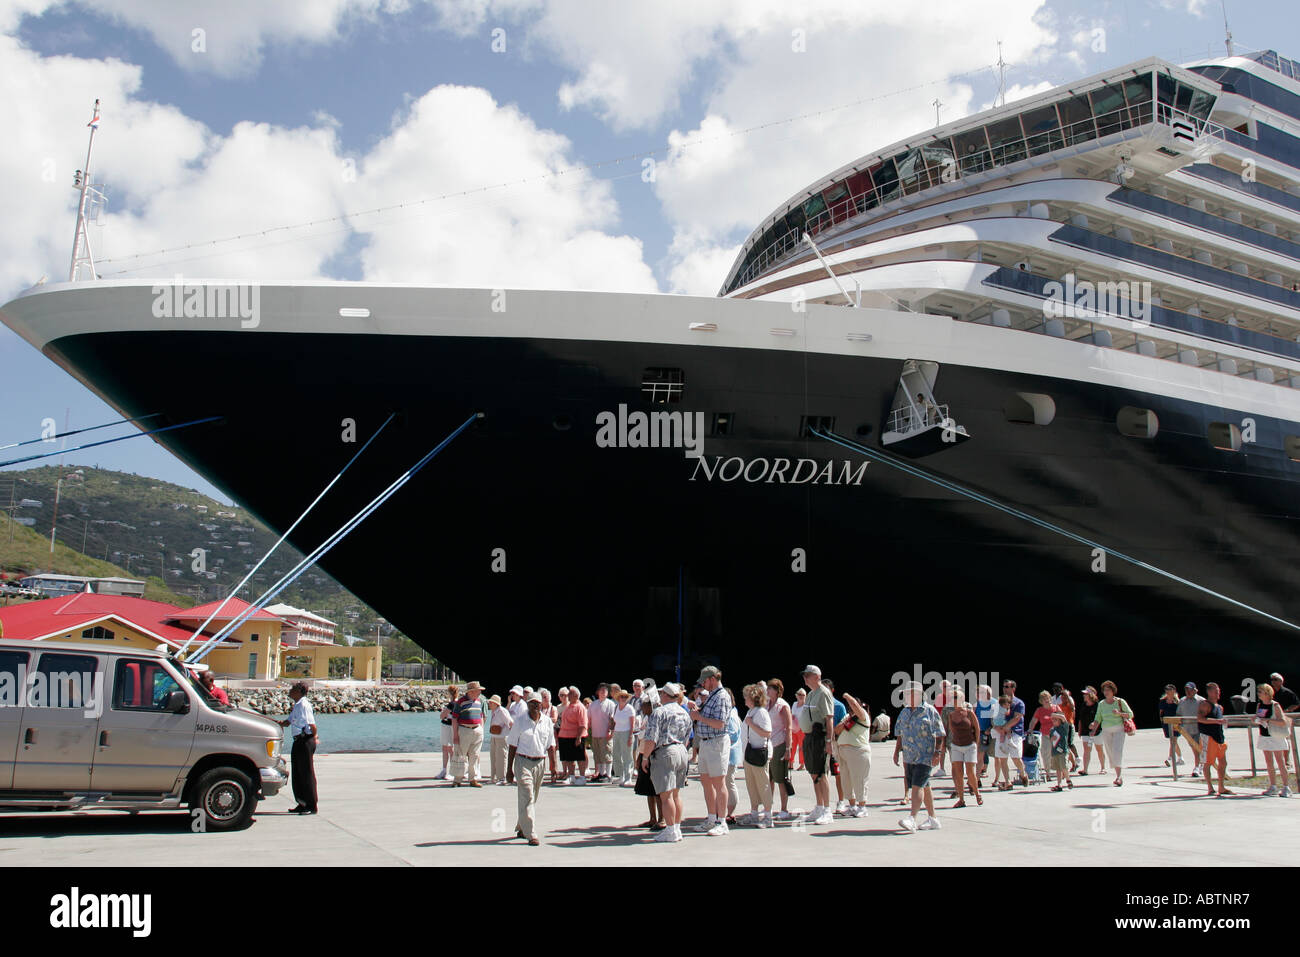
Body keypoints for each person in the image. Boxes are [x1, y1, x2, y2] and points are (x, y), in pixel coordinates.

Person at [640, 682, 692, 842]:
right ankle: (676, 828)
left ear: (665, 695)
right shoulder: (684, 712)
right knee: (676, 794)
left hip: (665, 752)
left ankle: (670, 830)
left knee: (666, 795)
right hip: (681, 751)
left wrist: (645, 757)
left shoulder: (659, 712)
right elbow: (688, 736)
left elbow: (651, 738)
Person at [688, 664, 733, 836]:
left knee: (719, 782)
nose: (702, 685)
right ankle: (711, 818)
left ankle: (722, 821)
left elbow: (720, 723)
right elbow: (711, 717)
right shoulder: (713, 695)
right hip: (707, 742)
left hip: (717, 742)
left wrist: (698, 716)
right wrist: (698, 711)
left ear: (712, 679)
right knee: (706, 781)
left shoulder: (721, 696)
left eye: (704, 681)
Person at [893, 682, 945, 832]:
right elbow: (900, 733)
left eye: (909, 694)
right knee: (924, 786)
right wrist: (897, 751)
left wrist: (938, 752)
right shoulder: (904, 712)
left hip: (925, 756)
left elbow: (940, 734)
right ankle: (933, 819)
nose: (906, 697)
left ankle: (912, 818)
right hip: (910, 756)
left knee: (917, 786)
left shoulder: (930, 711)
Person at [506, 691, 554, 846]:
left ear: (541, 705)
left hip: (540, 763)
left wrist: (553, 766)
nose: (534, 705)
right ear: (527, 704)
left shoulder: (547, 722)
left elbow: (551, 746)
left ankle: (521, 826)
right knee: (527, 794)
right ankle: (531, 833)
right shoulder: (520, 721)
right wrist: (509, 770)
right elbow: (512, 745)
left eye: (537, 703)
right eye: (531, 702)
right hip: (523, 761)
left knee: (532, 797)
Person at [799, 665, 836, 825]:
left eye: (808, 675)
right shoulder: (812, 694)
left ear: (817, 677)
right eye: (804, 675)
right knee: (814, 772)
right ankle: (819, 806)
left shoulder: (823, 693)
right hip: (809, 737)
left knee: (821, 773)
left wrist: (829, 741)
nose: (805, 678)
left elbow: (829, 718)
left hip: (819, 737)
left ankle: (827, 810)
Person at [277, 681, 318, 814]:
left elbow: (312, 725)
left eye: (293, 689)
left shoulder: (304, 705)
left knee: (306, 773)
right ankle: (301, 802)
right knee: (298, 773)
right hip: (298, 741)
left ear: (299, 691)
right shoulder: (297, 705)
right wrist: (278, 723)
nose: (290, 691)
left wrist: (314, 738)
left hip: (305, 740)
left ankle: (311, 805)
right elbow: (288, 722)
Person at [738, 684, 773, 826]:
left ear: (753, 698)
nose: (745, 699)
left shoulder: (761, 713)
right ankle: (754, 813)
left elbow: (767, 733)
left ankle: (768, 816)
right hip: (749, 754)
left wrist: (751, 724)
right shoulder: (751, 711)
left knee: (763, 784)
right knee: (751, 785)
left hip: (758, 753)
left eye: (747, 696)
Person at [1088, 680, 1134, 787]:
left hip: (1119, 729)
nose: (1106, 692)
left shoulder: (1120, 701)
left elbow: (1130, 714)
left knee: (1117, 751)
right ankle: (1117, 773)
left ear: (1113, 691)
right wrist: (1093, 729)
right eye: (1104, 690)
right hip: (1106, 730)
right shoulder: (1101, 704)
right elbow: (1098, 718)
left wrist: (1119, 714)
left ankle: (1119, 777)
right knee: (1110, 753)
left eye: (1108, 690)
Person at [835, 693, 872, 817]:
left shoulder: (863, 716)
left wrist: (847, 697)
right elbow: (837, 730)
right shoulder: (847, 716)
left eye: (853, 705)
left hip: (858, 751)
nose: (851, 708)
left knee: (859, 779)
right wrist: (847, 720)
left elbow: (856, 707)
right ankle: (852, 805)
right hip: (844, 752)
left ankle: (862, 806)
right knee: (846, 780)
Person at [1255, 682, 1292, 797]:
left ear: (1267, 693)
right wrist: (1256, 720)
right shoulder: (1259, 705)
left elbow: (1283, 721)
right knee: (1269, 762)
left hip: (1275, 736)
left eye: (1260, 692)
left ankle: (1286, 787)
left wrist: (1268, 720)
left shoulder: (1275, 705)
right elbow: (1259, 718)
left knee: (1280, 762)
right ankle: (1273, 786)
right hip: (1264, 735)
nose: (1258, 694)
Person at [946, 688, 981, 807]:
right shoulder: (951, 715)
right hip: (956, 745)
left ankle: (977, 794)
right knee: (958, 773)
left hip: (969, 745)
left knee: (970, 772)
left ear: (961, 698)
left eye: (955, 697)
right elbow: (951, 730)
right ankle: (961, 799)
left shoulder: (969, 713)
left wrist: (975, 743)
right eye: (952, 697)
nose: (953, 700)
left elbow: (977, 729)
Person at [1197, 682, 1233, 797]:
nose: (1218, 693)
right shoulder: (1204, 704)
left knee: (1223, 762)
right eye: (1215, 691)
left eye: (1218, 691)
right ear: (1209, 692)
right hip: (1208, 737)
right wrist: (1216, 721)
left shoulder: (1219, 707)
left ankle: (1221, 787)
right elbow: (1200, 719)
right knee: (1208, 763)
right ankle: (1210, 787)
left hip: (1219, 738)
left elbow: (1219, 721)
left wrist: (1221, 722)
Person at [634, 685, 663, 828]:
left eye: (645, 705)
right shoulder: (645, 719)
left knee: (657, 790)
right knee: (648, 790)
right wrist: (640, 756)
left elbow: (653, 739)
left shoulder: (657, 718)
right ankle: (652, 818)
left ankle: (661, 818)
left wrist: (646, 756)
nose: (643, 707)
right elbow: (642, 739)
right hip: (644, 754)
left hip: (654, 756)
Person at [766, 679, 794, 820]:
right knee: (769, 778)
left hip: (779, 744)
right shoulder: (766, 704)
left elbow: (788, 727)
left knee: (780, 778)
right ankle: (768, 808)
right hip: (768, 745)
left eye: (771, 688)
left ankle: (784, 809)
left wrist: (788, 748)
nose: (768, 690)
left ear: (777, 691)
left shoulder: (782, 706)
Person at [451, 680, 487, 787]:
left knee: (474, 755)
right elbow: (454, 719)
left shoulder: (479, 701)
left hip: (477, 730)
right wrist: (455, 735)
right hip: (464, 729)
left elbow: (481, 716)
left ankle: (473, 778)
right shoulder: (461, 702)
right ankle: (457, 779)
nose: (479, 693)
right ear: (471, 691)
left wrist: (482, 730)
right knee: (461, 755)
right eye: (478, 691)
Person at [999, 679, 1029, 787]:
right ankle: (1007, 782)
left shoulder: (1019, 703)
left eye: (1007, 686)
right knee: (1002, 758)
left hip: (1015, 733)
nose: (1005, 688)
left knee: (1016, 758)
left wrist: (1005, 727)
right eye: (1004, 686)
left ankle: (1023, 774)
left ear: (1013, 689)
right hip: (1002, 734)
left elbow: (1017, 718)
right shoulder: (1000, 702)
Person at [824, 678, 849, 811]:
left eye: (827, 688)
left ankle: (841, 800)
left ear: (832, 690)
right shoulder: (818, 704)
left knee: (838, 774)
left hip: (835, 744)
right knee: (823, 774)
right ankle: (824, 802)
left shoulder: (839, 706)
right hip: (822, 743)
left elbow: (844, 725)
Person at [557, 686, 589, 784]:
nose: (567, 696)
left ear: (575, 695)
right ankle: (571, 776)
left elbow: (583, 724)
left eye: (569, 694)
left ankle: (582, 777)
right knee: (569, 758)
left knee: (580, 757)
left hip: (576, 736)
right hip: (565, 736)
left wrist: (578, 737)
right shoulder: (568, 706)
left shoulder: (580, 707)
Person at [588, 683, 617, 783]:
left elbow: (613, 719)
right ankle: (601, 773)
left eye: (605, 690)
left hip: (606, 734)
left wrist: (610, 731)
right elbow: (589, 719)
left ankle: (608, 774)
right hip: (596, 733)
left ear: (608, 693)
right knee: (598, 754)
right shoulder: (593, 704)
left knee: (607, 754)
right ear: (597, 692)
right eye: (601, 690)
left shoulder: (611, 704)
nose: (603, 692)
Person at [1177, 682, 1206, 775]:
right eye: (1186, 689)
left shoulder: (1201, 701)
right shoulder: (1182, 701)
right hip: (1187, 730)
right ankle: (1201, 765)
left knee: (1198, 748)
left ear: (1195, 690)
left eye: (1189, 689)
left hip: (1200, 729)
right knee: (1195, 749)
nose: (1187, 691)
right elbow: (1178, 714)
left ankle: (1197, 767)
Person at [1076, 686, 1105, 776]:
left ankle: (1103, 768)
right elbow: (1080, 719)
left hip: (1097, 732)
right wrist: (1079, 730)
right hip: (1086, 731)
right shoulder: (1083, 705)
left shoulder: (1098, 705)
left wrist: (1094, 725)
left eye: (1086, 694)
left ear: (1091, 695)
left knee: (1099, 749)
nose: (1084, 695)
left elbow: (1101, 718)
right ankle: (1085, 769)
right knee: (1087, 750)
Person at [1028, 690, 1061, 766]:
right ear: (1041, 701)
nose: (1047, 700)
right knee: (1045, 753)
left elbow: (1063, 719)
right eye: (1044, 699)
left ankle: (1060, 771)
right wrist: (1030, 729)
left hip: (1056, 734)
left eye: (1048, 698)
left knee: (1058, 753)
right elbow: (1033, 721)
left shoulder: (1056, 708)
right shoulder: (1039, 710)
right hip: (1045, 735)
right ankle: (1048, 772)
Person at [724, 689, 743, 826]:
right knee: (726, 783)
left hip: (729, 755)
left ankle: (730, 813)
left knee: (729, 782)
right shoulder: (731, 713)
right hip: (727, 754)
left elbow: (732, 736)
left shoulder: (731, 715)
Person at [487, 694, 513, 785]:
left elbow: (510, 723)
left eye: (491, 702)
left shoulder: (502, 711)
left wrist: (511, 735)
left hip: (502, 737)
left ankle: (502, 778)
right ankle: (493, 777)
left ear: (495, 703)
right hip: (494, 736)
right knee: (493, 757)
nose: (489, 704)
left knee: (501, 758)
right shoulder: (494, 711)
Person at [612, 689, 637, 786]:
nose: (623, 698)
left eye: (625, 697)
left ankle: (628, 777)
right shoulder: (616, 707)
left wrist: (630, 736)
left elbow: (632, 724)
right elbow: (614, 721)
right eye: (621, 696)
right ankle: (621, 776)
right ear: (618, 698)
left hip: (626, 732)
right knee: (617, 755)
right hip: (617, 732)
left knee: (627, 756)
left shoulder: (630, 708)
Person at [1052, 683, 1079, 770]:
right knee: (1062, 745)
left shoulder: (1068, 699)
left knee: (1068, 744)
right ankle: (1069, 762)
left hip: (1068, 725)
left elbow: (1072, 709)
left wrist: (1067, 696)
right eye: (1054, 688)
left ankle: (1076, 759)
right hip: (1059, 726)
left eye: (1058, 688)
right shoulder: (1054, 700)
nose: (1056, 690)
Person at [435, 683, 459, 781]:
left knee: (449, 748)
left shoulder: (452, 704)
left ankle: (452, 771)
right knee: (446, 747)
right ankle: (444, 770)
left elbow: (442, 715)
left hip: (449, 726)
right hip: (447, 726)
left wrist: (444, 713)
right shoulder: (455, 703)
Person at [539, 688, 561, 783]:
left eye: (546, 697)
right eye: (543, 697)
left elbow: (554, 719)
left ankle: (554, 773)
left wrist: (544, 719)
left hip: (551, 735)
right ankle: (540, 773)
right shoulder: (539, 709)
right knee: (541, 755)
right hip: (541, 734)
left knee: (553, 756)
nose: (545, 699)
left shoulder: (553, 708)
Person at [1048, 712, 1074, 791]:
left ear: (1060, 720)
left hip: (1063, 751)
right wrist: (1051, 739)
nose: (1054, 721)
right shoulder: (1052, 730)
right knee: (1057, 768)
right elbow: (1050, 739)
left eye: (1056, 720)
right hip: (1055, 751)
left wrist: (1054, 714)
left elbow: (1063, 718)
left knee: (1064, 766)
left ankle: (1068, 779)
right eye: (1053, 720)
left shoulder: (1064, 727)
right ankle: (1059, 784)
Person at [1158, 684, 1183, 767]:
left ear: (1174, 691)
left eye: (1170, 690)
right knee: (1173, 741)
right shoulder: (1163, 701)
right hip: (1167, 723)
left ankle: (1170, 758)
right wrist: (1162, 722)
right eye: (1167, 690)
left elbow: (1180, 712)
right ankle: (1180, 758)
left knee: (1173, 741)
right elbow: (1161, 713)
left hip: (1176, 723)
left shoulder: (1177, 702)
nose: (1168, 692)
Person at [974, 684, 996, 778]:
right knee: (980, 755)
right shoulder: (977, 704)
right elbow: (974, 718)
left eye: (983, 692)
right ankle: (977, 778)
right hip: (982, 733)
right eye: (979, 692)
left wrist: (990, 728)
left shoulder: (994, 703)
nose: (981, 694)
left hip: (994, 733)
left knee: (997, 757)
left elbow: (998, 720)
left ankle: (997, 779)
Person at [791, 688, 808, 770]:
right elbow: (792, 715)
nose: (801, 696)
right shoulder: (794, 704)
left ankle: (802, 764)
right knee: (792, 746)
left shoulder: (806, 706)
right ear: (796, 695)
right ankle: (790, 763)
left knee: (801, 747)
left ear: (806, 696)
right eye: (799, 694)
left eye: (803, 695)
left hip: (802, 728)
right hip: (794, 728)